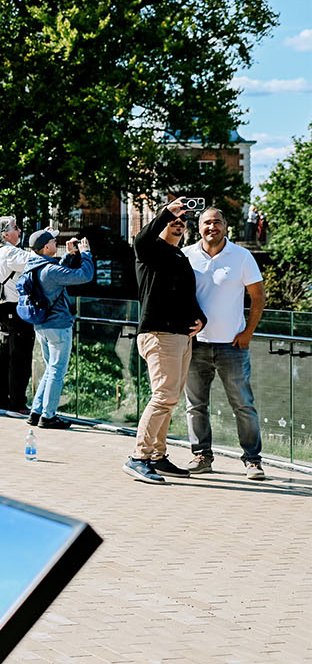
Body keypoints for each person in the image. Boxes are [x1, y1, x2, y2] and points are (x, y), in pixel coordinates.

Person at [124, 198, 206, 484]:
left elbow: (187, 297)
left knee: (170, 399)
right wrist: (168, 211)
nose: (179, 222)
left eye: (183, 220)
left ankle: (157, 456)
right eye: (174, 219)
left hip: (181, 336)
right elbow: (141, 237)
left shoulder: (180, 257)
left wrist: (200, 319)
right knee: (163, 396)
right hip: (159, 334)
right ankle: (138, 457)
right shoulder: (149, 250)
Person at [184, 208, 266, 480]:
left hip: (233, 345)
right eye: (207, 222)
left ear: (226, 226)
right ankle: (201, 456)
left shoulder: (242, 256)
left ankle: (253, 460)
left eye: (217, 222)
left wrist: (248, 333)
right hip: (195, 345)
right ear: (199, 227)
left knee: (243, 404)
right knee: (195, 405)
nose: (212, 227)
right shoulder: (186, 256)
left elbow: (258, 297)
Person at [22, 230, 94, 430]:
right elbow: (84, 275)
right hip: (58, 326)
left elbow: (55, 275)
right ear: (46, 247)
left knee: (50, 368)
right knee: (57, 370)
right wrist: (85, 253)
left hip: (41, 325)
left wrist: (69, 255)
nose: (57, 243)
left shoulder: (33, 265)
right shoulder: (50, 270)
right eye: (54, 242)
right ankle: (48, 415)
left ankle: (36, 411)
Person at [0, 216, 34, 419]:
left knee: (6, 355)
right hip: (16, 308)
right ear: (6, 234)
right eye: (15, 228)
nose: (19, 231)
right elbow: (37, 261)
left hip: (1, 306)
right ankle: (17, 403)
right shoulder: (10, 252)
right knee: (20, 357)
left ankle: (2, 400)